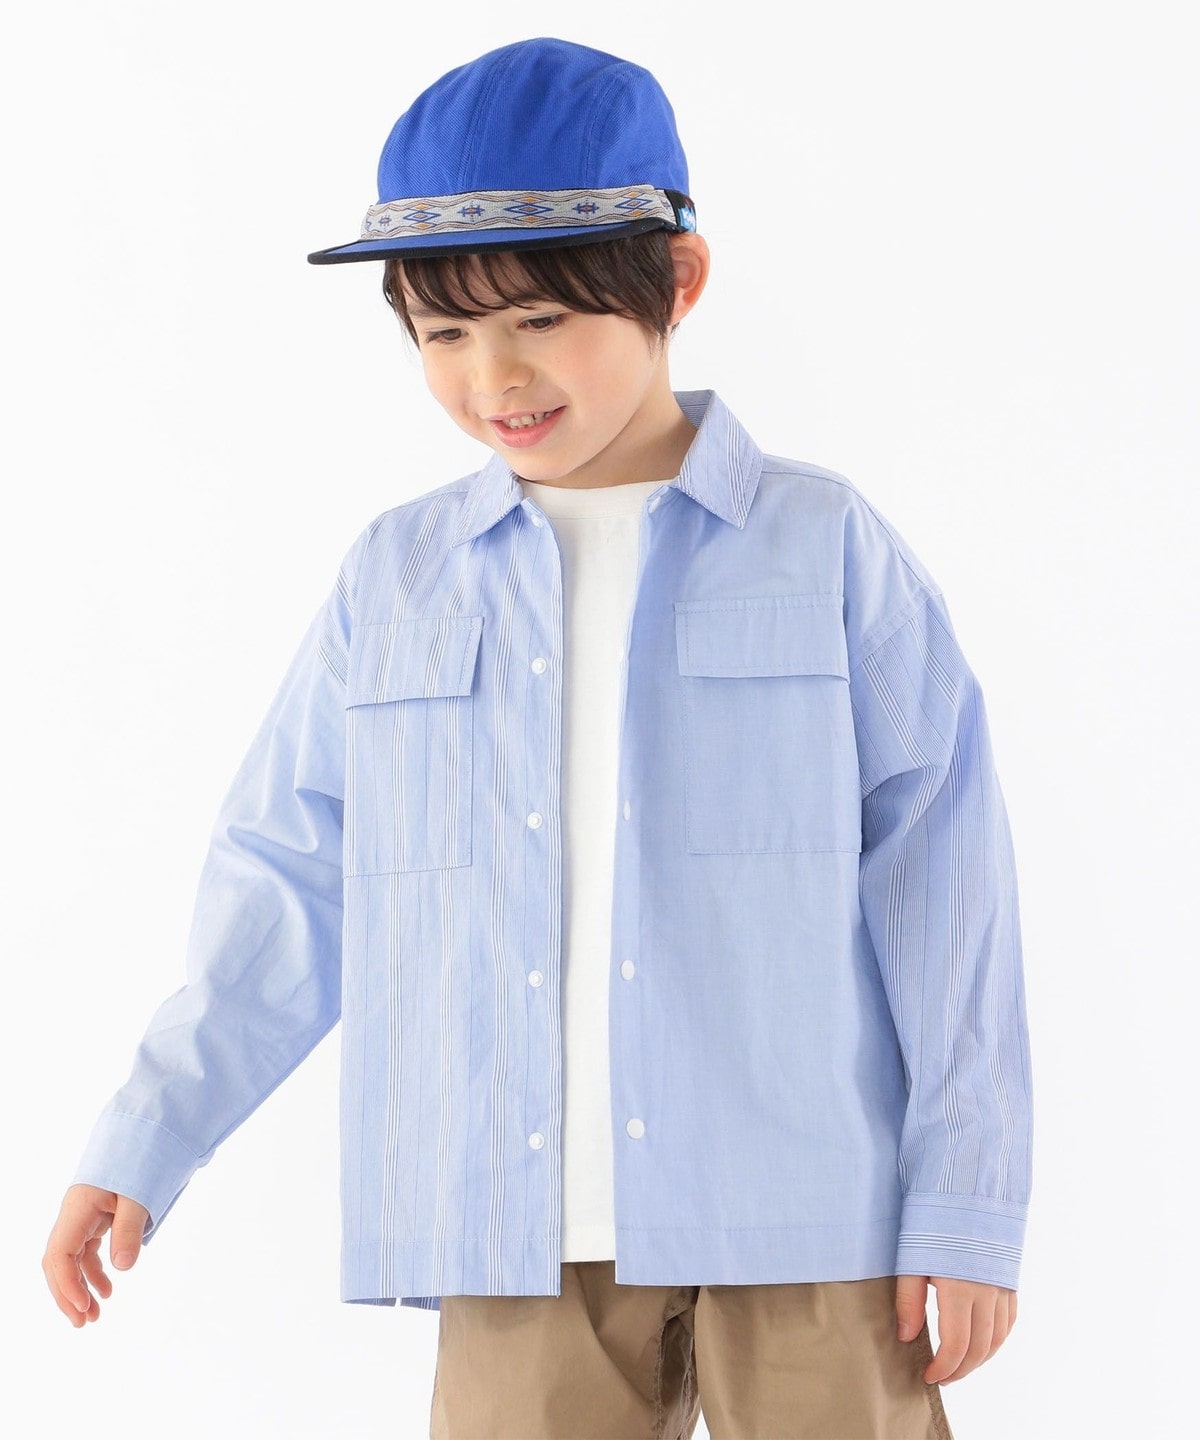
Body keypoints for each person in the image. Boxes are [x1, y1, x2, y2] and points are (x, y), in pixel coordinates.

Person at [43, 36, 1032, 1440]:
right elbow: (291, 881)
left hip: (811, 1214)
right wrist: (149, 1136)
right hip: (510, 1228)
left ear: (675, 282)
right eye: (441, 335)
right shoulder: (398, 582)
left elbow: (945, 886)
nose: (492, 374)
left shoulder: (824, 549)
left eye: (540, 317)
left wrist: (970, 1201)